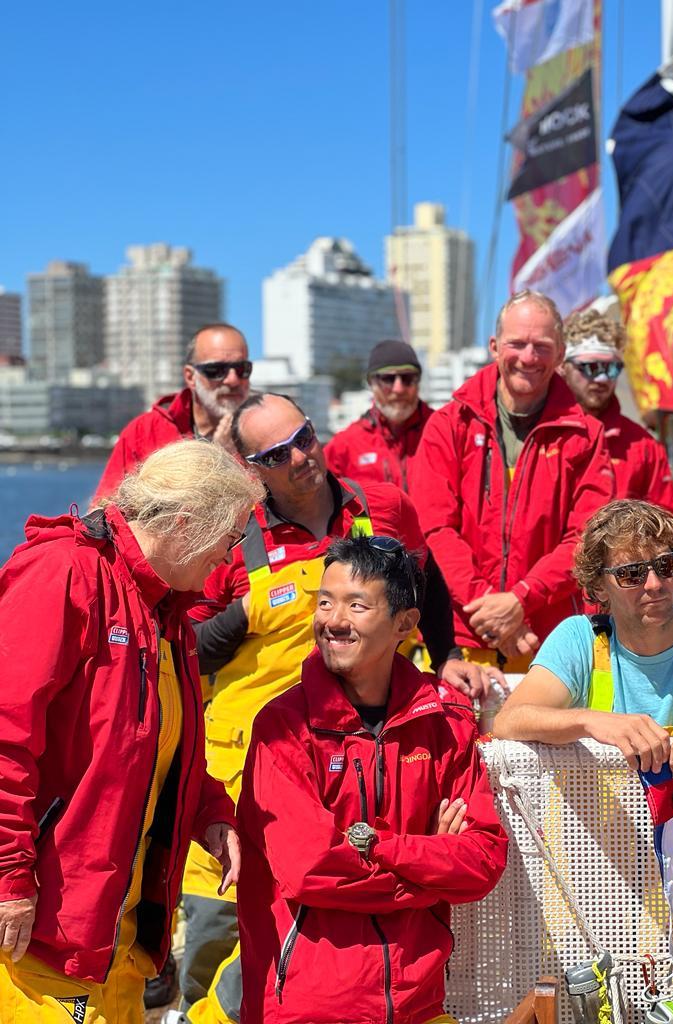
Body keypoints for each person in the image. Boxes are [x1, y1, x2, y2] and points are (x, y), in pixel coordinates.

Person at [173, 392, 494, 1024]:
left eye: (306, 437)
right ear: (250, 468)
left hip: (381, 743)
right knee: (216, 947)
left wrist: (447, 650)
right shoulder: (232, 533)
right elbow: (191, 648)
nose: (301, 457)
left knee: (356, 940)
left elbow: (425, 586)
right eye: (276, 453)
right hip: (258, 758)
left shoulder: (384, 507)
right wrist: (251, 610)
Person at [0, 440, 263, 1024]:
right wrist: (8, 877)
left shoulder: (165, 612)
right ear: (184, 523)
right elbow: (5, 737)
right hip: (45, 928)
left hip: (115, 932)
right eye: (230, 538)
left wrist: (210, 814)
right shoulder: (64, 574)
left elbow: (160, 749)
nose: (228, 558)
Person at [236, 535, 508, 1024]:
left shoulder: (445, 722)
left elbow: (484, 859)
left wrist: (375, 846)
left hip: (418, 1003)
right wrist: (428, 873)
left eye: (356, 605)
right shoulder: (283, 726)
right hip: (306, 1008)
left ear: (404, 623)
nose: (333, 621)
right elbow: (309, 867)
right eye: (324, 602)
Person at [411, 289, 615, 674]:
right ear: (494, 346)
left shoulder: (587, 436)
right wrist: (492, 609)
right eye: (516, 343)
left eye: (541, 346)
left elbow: (588, 537)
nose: (528, 357)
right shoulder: (448, 426)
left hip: (553, 641)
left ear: (559, 353)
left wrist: (522, 600)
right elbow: (435, 528)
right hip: (459, 640)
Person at [493, 500, 673, 774]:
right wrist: (590, 722)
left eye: (666, 565)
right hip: (599, 817)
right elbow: (508, 721)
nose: (655, 584)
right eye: (631, 574)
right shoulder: (579, 639)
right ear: (600, 588)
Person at [94, 323, 252, 500]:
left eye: (242, 369)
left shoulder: (269, 430)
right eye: (216, 370)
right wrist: (220, 456)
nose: (232, 380)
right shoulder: (145, 432)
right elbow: (106, 510)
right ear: (190, 377)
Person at [561, 308, 673, 514]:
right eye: (591, 367)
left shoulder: (645, 448)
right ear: (563, 367)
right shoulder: (539, 438)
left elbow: (666, 531)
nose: (602, 379)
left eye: (612, 368)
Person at [324, 339, 433, 493]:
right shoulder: (344, 446)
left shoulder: (444, 433)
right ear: (371, 383)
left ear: (418, 381)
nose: (398, 389)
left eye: (407, 378)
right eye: (388, 379)